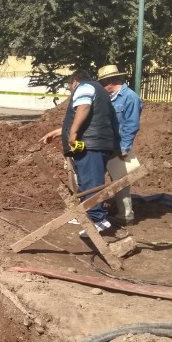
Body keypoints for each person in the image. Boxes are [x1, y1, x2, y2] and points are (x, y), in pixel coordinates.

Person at [40, 70, 118, 237]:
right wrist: (57, 132)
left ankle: (98, 221)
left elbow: (83, 108)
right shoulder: (98, 90)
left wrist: (73, 134)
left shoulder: (84, 87)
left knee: (91, 182)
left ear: (74, 82)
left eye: (70, 88)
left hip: (91, 146)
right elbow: (89, 120)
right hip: (97, 143)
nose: (71, 91)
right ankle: (93, 218)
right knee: (88, 182)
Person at [98, 64, 143, 225]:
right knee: (99, 178)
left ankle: (126, 215)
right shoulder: (110, 97)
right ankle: (97, 210)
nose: (102, 87)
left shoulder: (130, 98)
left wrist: (124, 147)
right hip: (106, 145)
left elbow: (132, 125)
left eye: (103, 83)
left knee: (121, 181)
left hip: (118, 147)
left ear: (110, 82)